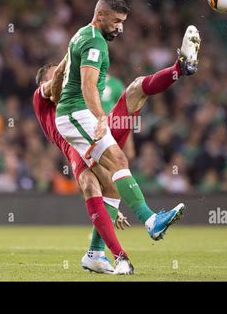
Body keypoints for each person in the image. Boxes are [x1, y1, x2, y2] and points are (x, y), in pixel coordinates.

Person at [34, 23, 201, 274]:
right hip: (76, 147)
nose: (64, 75)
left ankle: (181, 68)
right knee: (96, 184)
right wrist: (73, 51)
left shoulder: (80, 90)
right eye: (58, 73)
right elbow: (57, 81)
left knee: (135, 88)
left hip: (98, 127)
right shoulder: (41, 97)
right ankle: (119, 252)